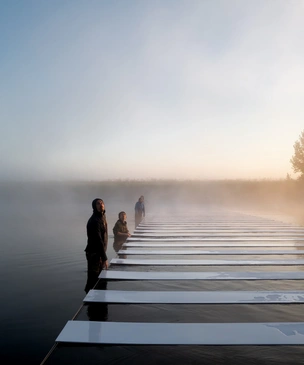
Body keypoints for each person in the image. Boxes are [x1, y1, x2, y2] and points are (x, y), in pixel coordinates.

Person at [84, 198, 108, 294]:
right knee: (93, 278)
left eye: (102, 203)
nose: (101, 204)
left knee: (99, 277)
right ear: (94, 206)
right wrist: (104, 258)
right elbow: (98, 240)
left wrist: (103, 255)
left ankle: (98, 297)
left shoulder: (102, 216)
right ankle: (90, 299)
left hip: (99, 252)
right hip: (94, 253)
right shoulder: (94, 220)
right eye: (98, 203)